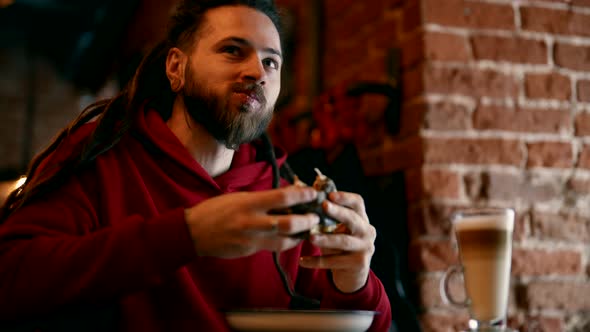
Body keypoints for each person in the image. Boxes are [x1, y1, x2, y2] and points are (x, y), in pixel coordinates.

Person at [0, 0, 392, 331]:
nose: (257, 71)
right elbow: (11, 280)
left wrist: (354, 280)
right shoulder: (99, 157)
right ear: (176, 68)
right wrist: (187, 234)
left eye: (271, 62)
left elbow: (370, 324)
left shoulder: (285, 191)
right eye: (233, 50)